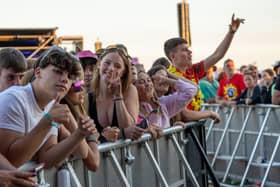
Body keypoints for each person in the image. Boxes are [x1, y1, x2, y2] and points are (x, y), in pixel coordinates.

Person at [0, 46, 95, 168]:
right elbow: (11, 161)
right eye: (58, 72)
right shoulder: (13, 99)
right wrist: (47, 121)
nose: (65, 80)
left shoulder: (50, 105)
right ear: (38, 72)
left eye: (69, 76)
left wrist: (79, 134)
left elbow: (46, 159)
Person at [164, 14, 244, 111]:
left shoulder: (193, 70)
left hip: (196, 122)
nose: (190, 52)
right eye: (185, 50)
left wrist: (231, 33)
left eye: (189, 49)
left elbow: (217, 55)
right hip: (182, 125)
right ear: (173, 56)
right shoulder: (167, 77)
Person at [88, 45, 139, 143]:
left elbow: (130, 129)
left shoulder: (130, 90)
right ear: (99, 64)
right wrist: (103, 136)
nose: (111, 68)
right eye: (107, 63)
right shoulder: (88, 96)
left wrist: (118, 97)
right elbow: (85, 135)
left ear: (123, 72)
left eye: (117, 66)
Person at [147, 65, 220, 124]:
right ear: (151, 79)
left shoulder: (165, 102)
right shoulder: (145, 102)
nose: (163, 80)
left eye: (166, 77)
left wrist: (169, 76)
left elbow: (194, 89)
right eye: (160, 76)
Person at [60, 68, 100, 171]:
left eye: (82, 84)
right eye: (77, 86)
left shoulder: (77, 112)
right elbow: (93, 163)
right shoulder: (63, 114)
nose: (82, 89)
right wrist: (92, 137)